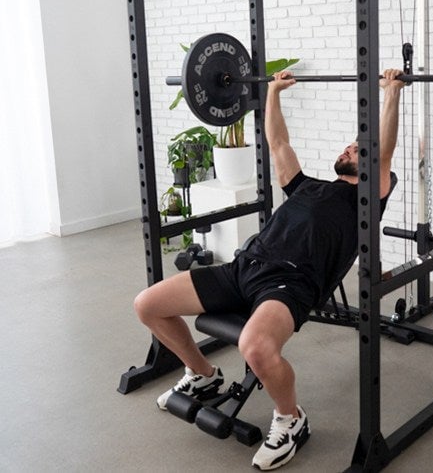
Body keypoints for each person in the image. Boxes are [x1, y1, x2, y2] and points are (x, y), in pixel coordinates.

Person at [134, 68, 405, 471]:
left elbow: (382, 153)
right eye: (348, 146)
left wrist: (392, 93)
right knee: (148, 304)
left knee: (256, 346)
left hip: (289, 283)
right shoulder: (307, 186)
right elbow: (277, 141)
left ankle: (290, 418)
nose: (349, 151)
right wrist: (274, 92)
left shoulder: (364, 202)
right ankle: (202, 373)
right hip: (244, 267)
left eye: (356, 150)